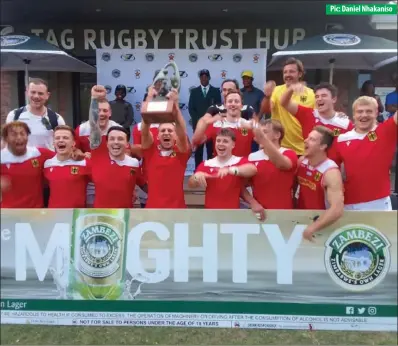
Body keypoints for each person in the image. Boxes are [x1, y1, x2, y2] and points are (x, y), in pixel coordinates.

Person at [329, 97, 397, 211]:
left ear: (376, 113)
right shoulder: (341, 139)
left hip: (377, 203)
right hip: (347, 203)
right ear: (354, 115)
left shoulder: (386, 131)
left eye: (369, 111)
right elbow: (330, 168)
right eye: (359, 111)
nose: (364, 115)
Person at [88, 85, 145, 208]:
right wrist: (94, 99)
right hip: (100, 217)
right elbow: (94, 124)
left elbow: (145, 186)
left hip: (125, 218)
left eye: (120, 139)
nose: (116, 142)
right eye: (112, 139)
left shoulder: (133, 163)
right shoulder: (97, 156)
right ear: (106, 143)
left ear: (127, 144)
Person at [141, 86, 190, 208]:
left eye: (170, 130)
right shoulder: (150, 151)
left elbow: (182, 133)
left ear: (175, 136)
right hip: (153, 209)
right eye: (162, 131)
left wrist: (176, 107)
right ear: (157, 136)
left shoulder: (181, 153)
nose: (166, 133)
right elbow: (145, 130)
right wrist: (149, 100)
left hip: (177, 209)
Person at [296, 126, 344, 241]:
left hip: (321, 227)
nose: (305, 141)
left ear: (323, 146)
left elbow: (337, 209)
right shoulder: (302, 161)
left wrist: (313, 227)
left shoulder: (331, 172)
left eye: (312, 139)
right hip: (300, 220)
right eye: (307, 137)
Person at [188, 128, 257, 209]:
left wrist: (230, 170)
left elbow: (252, 169)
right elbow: (191, 184)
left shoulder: (239, 161)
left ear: (233, 145)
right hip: (211, 213)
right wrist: (196, 177)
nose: (221, 144)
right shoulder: (206, 164)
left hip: (233, 213)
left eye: (225, 141)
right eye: (218, 141)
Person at [259, 57, 315, 156]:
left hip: (301, 148)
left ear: (300, 74)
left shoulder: (310, 93)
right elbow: (266, 110)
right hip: (279, 146)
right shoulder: (276, 90)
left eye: (291, 72)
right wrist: (267, 97)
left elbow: (317, 117)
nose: (288, 75)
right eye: (285, 72)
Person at [240, 119, 298, 212]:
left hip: (285, 213)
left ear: (277, 135)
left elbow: (282, 165)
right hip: (259, 213)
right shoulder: (252, 157)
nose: (260, 135)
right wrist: (253, 203)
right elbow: (240, 186)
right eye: (260, 132)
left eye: (265, 132)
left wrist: (262, 138)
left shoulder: (289, 153)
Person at [1, 121, 54, 208]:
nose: (19, 137)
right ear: (6, 138)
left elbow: (64, 158)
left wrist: (79, 153)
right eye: (14, 134)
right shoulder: (2, 158)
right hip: (8, 213)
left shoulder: (39, 153)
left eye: (22, 134)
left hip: (35, 212)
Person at [5, 78, 66, 150]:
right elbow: (6, 143)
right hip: (22, 160)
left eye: (40, 93)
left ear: (47, 95)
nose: (36, 96)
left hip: (47, 160)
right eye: (33, 92)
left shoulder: (56, 119)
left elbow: (64, 145)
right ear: (27, 92)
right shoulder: (14, 116)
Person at [192, 90, 254, 157]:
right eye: (230, 101)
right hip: (221, 166)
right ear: (225, 105)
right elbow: (197, 141)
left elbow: (264, 143)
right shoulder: (216, 125)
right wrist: (206, 121)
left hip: (243, 166)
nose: (233, 104)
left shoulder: (249, 125)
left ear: (242, 105)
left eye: (236, 101)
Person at [280, 82, 354, 139]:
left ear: (334, 99)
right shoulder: (307, 114)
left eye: (324, 96)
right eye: (317, 96)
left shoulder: (345, 123)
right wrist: (291, 89)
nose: (319, 99)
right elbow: (284, 103)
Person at [44, 125, 90, 208]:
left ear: (73, 143)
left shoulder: (84, 162)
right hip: (54, 215)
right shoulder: (47, 164)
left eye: (65, 138)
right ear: (53, 143)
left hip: (76, 215)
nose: (61, 140)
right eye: (57, 138)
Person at [188, 69, 222, 168]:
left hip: (212, 125)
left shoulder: (215, 91)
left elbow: (218, 107)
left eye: (206, 76)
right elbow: (191, 108)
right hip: (199, 126)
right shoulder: (194, 92)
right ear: (199, 79)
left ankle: (211, 169)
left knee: (211, 150)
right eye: (202, 77)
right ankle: (198, 170)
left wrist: (210, 120)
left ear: (209, 78)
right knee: (198, 150)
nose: (204, 78)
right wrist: (201, 121)